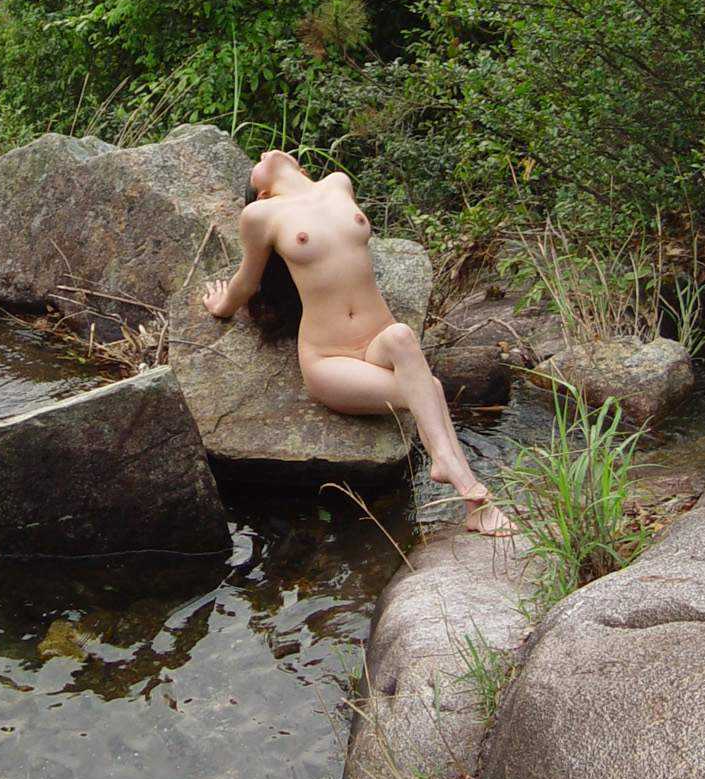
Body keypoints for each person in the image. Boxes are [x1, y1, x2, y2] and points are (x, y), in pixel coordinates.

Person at [201, 149, 511, 535]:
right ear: (261, 191)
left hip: (379, 340)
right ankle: (469, 492)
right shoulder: (260, 214)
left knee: (401, 335)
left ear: (300, 167)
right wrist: (221, 306)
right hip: (329, 358)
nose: (265, 152)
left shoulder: (338, 184)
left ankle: (455, 476)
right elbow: (247, 281)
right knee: (427, 388)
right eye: (257, 164)